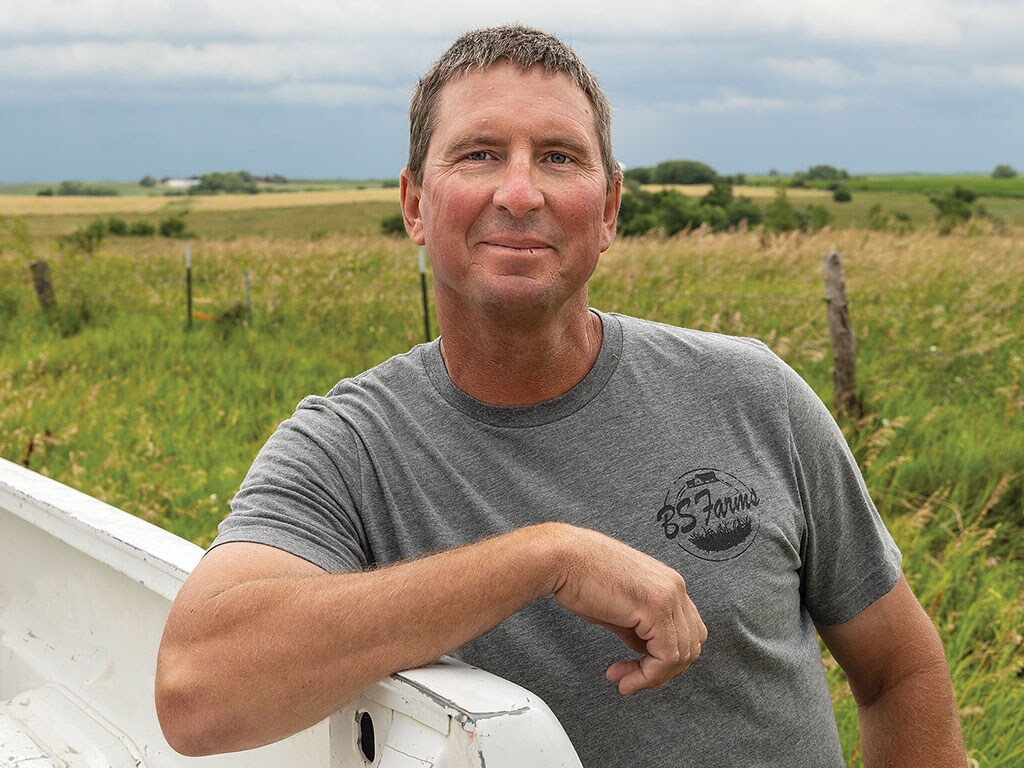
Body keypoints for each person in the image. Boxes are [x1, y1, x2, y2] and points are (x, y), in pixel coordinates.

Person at [155, 25, 967, 767]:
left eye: (558, 156)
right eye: (477, 155)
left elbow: (899, 670)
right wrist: (542, 559)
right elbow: (198, 691)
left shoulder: (752, 394)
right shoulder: (350, 448)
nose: (519, 192)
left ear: (608, 207)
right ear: (413, 203)